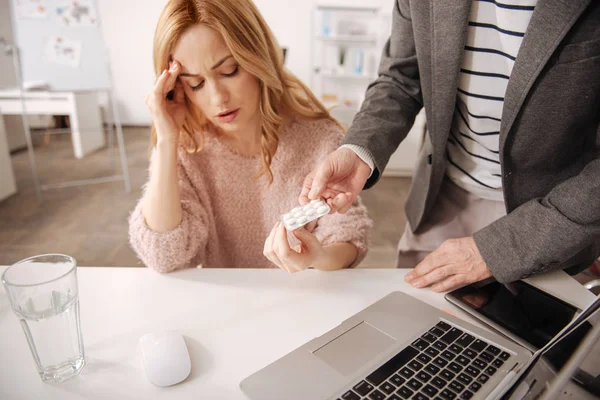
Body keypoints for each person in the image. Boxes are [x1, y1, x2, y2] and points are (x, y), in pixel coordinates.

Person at [302, 0, 600, 292]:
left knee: (528, 339)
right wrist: (359, 149)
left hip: (553, 216)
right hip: (442, 197)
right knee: (418, 329)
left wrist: (499, 248)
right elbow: (401, 78)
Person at [129, 0, 372, 273]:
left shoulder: (319, 138)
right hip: (227, 306)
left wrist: (317, 257)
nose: (218, 98)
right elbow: (163, 257)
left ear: (257, 56)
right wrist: (166, 140)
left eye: (230, 70)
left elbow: (348, 235)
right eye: (195, 83)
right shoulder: (188, 149)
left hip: (303, 302)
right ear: (175, 88)